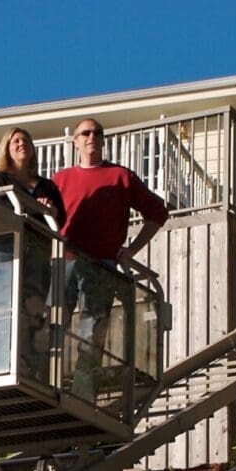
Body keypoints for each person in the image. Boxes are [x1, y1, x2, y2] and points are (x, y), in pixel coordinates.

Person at [51, 117, 169, 402]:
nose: (92, 137)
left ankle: (82, 392)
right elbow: (41, 215)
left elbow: (158, 213)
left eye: (97, 133)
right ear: (75, 141)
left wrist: (131, 251)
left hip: (100, 264)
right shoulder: (60, 179)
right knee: (53, 325)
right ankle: (46, 383)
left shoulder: (120, 177)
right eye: (86, 133)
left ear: (103, 140)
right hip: (63, 260)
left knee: (92, 331)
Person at [0, 127, 65, 377]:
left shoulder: (47, 185)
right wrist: (38, 210)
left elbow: (60, 217)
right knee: (2, 304)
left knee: (33, 308)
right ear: (6, 148)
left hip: (36, 252)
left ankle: (28, 368)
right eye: (15, 141)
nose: (21, 144)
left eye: (26, 140)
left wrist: (48, 210)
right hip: (3, 249)